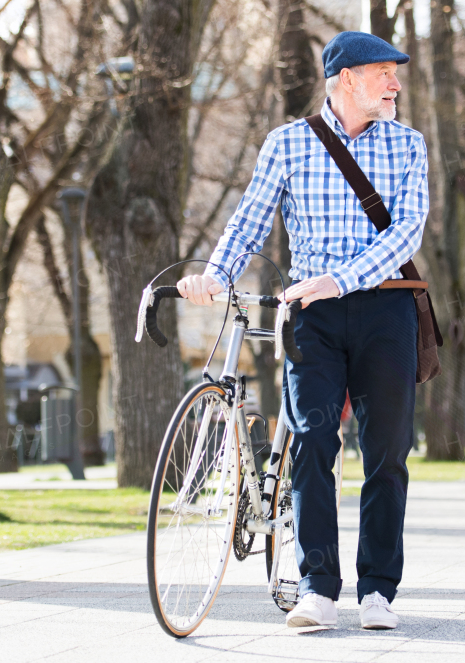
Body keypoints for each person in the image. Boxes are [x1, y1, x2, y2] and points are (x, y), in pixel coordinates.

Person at [178, 31, 428, 631]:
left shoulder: (409, 145)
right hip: (310, 319)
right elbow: (250, 218)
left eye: (395, 75)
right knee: (314, 440)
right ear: (347, 80)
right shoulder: (288, 144)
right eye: (384, 74)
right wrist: (215, 274)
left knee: (386, 453)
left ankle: (377, 593)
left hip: (386, 309)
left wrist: (338, 280)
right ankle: (317, 586)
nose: (395, 85)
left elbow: (407, 233)